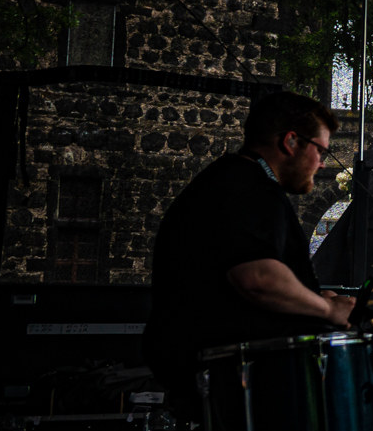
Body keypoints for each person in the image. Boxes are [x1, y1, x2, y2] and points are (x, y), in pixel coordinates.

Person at [144, 92, 355, 413]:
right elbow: (257, 278)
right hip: (236, 379)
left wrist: (310, 299)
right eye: (321, 150)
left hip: (216, 371)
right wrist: (327, 310)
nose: (322, 162)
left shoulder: (228, 179)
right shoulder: (251, 188)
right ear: (291, 142)